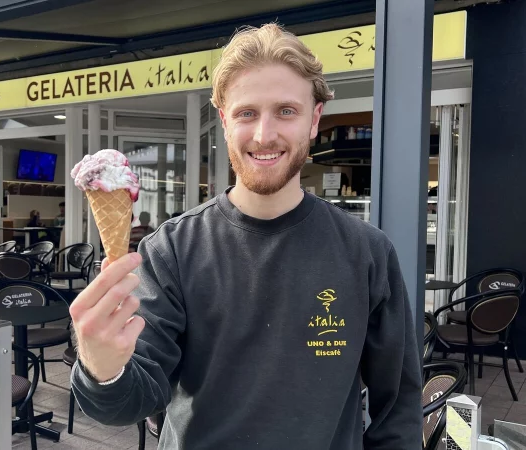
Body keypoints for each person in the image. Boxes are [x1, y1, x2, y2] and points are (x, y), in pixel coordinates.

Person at [70, 23, 422, 449]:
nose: (264, 135)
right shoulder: (172, 251)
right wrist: (101, 367)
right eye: (247, 113)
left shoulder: (367, 252)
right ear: (223, 120)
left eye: (286, 111)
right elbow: (129, 403)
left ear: (314, 120)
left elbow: (398, 406)